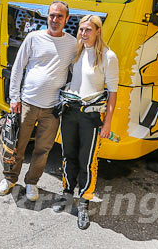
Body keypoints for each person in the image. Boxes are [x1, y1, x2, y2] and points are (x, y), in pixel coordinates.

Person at [0, 1, 77, 201]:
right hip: (27, 103)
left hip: (53, 108)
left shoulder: (73, 43)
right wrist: (14, 97)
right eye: (52, 15)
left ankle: (32, 182)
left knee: (43, 149)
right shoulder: (34, 37)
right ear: (47, 17)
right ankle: (10, 178)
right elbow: (18, 68)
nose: (55, 20)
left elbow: (76, 72)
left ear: (66, 19)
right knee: (17, 145)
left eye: (59, 16)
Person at [51, 15, 119, 230]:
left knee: (87, 160)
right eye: (81, 29)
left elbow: (113, 93)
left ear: (98, 31)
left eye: (88, 30)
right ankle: (67, 193)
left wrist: (107, 123)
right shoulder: (77, 51)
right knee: (67, 154)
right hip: (70, 111)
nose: (83, 33)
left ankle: (84, 203)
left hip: (91, 116)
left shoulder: (109, 56)